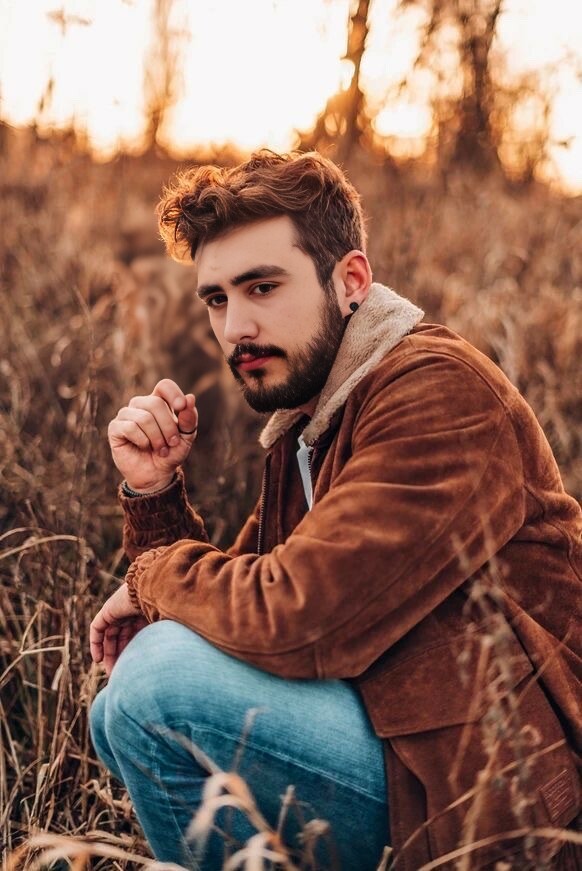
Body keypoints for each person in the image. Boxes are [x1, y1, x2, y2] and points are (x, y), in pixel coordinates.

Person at [89, 150, 581, 870]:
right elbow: (237, 612)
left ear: (350, 280)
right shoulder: (314, 419)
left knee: (157, 684)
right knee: (118, 707)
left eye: (262, 287)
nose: (235, 327)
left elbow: (294, 614)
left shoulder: (438, 394)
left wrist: (150, 578)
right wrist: (155, 493)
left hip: (492, 795)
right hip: (403, 741)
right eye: (217, 299)